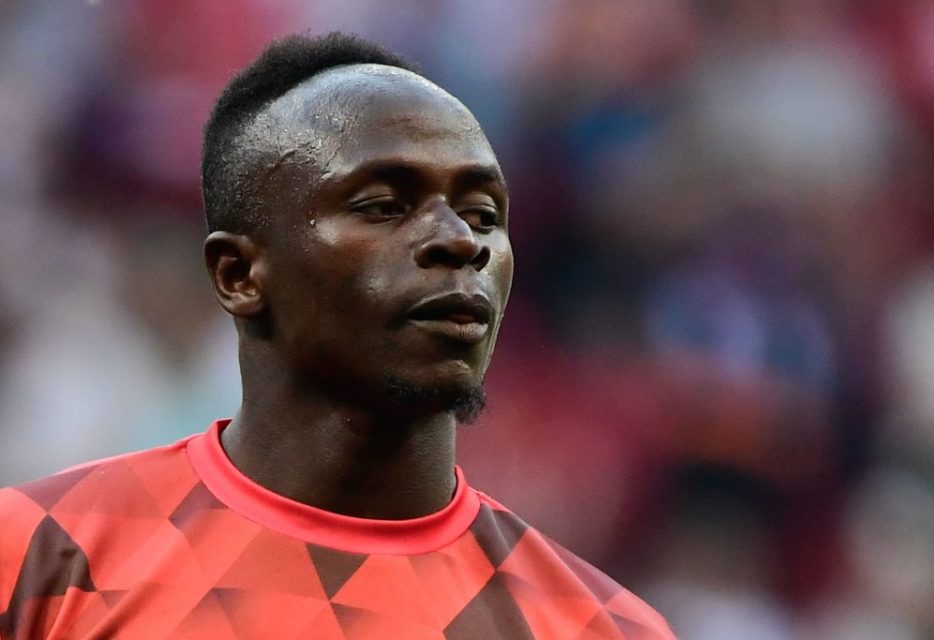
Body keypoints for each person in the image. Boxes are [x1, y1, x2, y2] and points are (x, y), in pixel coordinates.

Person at [0, 33, 675, 639]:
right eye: (383, 206)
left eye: (482, 213)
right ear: (238, 274)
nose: (458, 241)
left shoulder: (601, 628)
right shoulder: (36, 556)